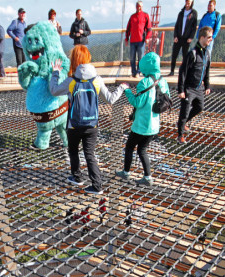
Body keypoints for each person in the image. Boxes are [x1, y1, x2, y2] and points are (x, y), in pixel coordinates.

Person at [49, 45, 129, 195]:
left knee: (73, 150)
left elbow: (54, 91)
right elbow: (111, 99)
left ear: (74, 60)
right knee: (89, 154)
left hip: (74, 125)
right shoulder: (97, 79)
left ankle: (77, 177)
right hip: (92, 125)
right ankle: (97, 185)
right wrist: (121, 88)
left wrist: (55, 73)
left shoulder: (71, 81)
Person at [116, 52, 169, 186]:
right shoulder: (163, 81)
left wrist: (127, 90)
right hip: (154, 125)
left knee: (129, 147)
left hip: (141, 125)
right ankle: (147, 177)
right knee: (142, 150)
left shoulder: (145, 82)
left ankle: (126, 172)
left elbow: (137, 102)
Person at [177, 27, 213, 144]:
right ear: (202, 38)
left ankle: (183, 123)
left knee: (199, 107)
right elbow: (182, 72)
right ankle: (180, 135)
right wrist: (181, 90)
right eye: (209, 37)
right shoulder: (192, 53)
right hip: (189, 88)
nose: (211, 39)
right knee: (184, 111)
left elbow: (206, 71)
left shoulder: (207, 54)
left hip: (199, 88)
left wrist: (207, 86)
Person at [169, 0, 198, 77]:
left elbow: (194, 27)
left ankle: (184, 71)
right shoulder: (181, 13)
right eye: (186, 2)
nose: (187, 4)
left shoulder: (194, 13)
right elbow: (176, 25)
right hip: (178, 37)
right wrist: (175, 36)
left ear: (192, 3)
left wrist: (191, 37)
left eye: (189, 3)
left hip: (186, 38)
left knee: (185, 56)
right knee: (174, 55)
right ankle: (172, 71)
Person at [125, 1, 152, 78]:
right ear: (136, 7)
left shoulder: (145, 15)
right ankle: (133, 72)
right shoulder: (132, 16)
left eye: (140, 6)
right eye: (137, 6)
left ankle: (138, 72)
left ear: (142, 7)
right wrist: (126, 38)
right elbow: (128, 29)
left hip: (141, 41)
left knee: (141, 58)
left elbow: (149, 29)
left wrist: (147, 38)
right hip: (132, 41)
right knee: (132, 58)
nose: (139, 8)